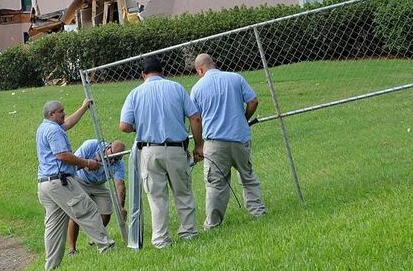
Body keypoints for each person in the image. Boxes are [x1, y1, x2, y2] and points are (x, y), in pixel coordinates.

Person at [119, 56, 203, 248]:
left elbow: (123, 126)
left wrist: (138, 127)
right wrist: (199, 145)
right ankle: (188, 232)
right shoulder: (176, 88)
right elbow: (195, 118)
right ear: (162, 71)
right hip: (176, 148)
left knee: (157, 197)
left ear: (143, 74)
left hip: (149, 150)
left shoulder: (135, 93)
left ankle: (160, 239)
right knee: (183, 192)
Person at [36, 99, 115, 270]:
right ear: (51, 114)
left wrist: (83, 108)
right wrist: (87, 163)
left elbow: (69, 122)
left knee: (54, 225)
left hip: (45, 185)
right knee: (88, 209)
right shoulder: (53, 130)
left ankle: (51, 267)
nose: (64, 113)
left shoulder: (45, 127)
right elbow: (62, 155)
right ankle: (107, 246)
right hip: (60, 181)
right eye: (61, 111)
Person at [191, 53, 267, 228]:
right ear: (214, 64)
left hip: (215, 142)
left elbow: (196, 118)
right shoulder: (235, 78)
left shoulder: (197, 88)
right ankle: (258, 211)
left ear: (199, 70)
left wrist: (198, 146)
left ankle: (213, 223)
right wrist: (244, 118)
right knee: (247, 176)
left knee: (216, 184)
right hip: (240, 137)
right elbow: (253, 101)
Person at [67, 139, 126, 255]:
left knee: (106, 213)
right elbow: (72, 164)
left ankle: (95, 237)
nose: (112, 160)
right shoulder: (91, 145)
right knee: (76, 214)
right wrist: (87, 164)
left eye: (116, 159)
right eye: (111, 156)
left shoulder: (119, 165)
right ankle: (72, 249)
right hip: (80, 180)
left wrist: (121, 207)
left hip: (98, 185)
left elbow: (120, 185)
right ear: (108, 148)